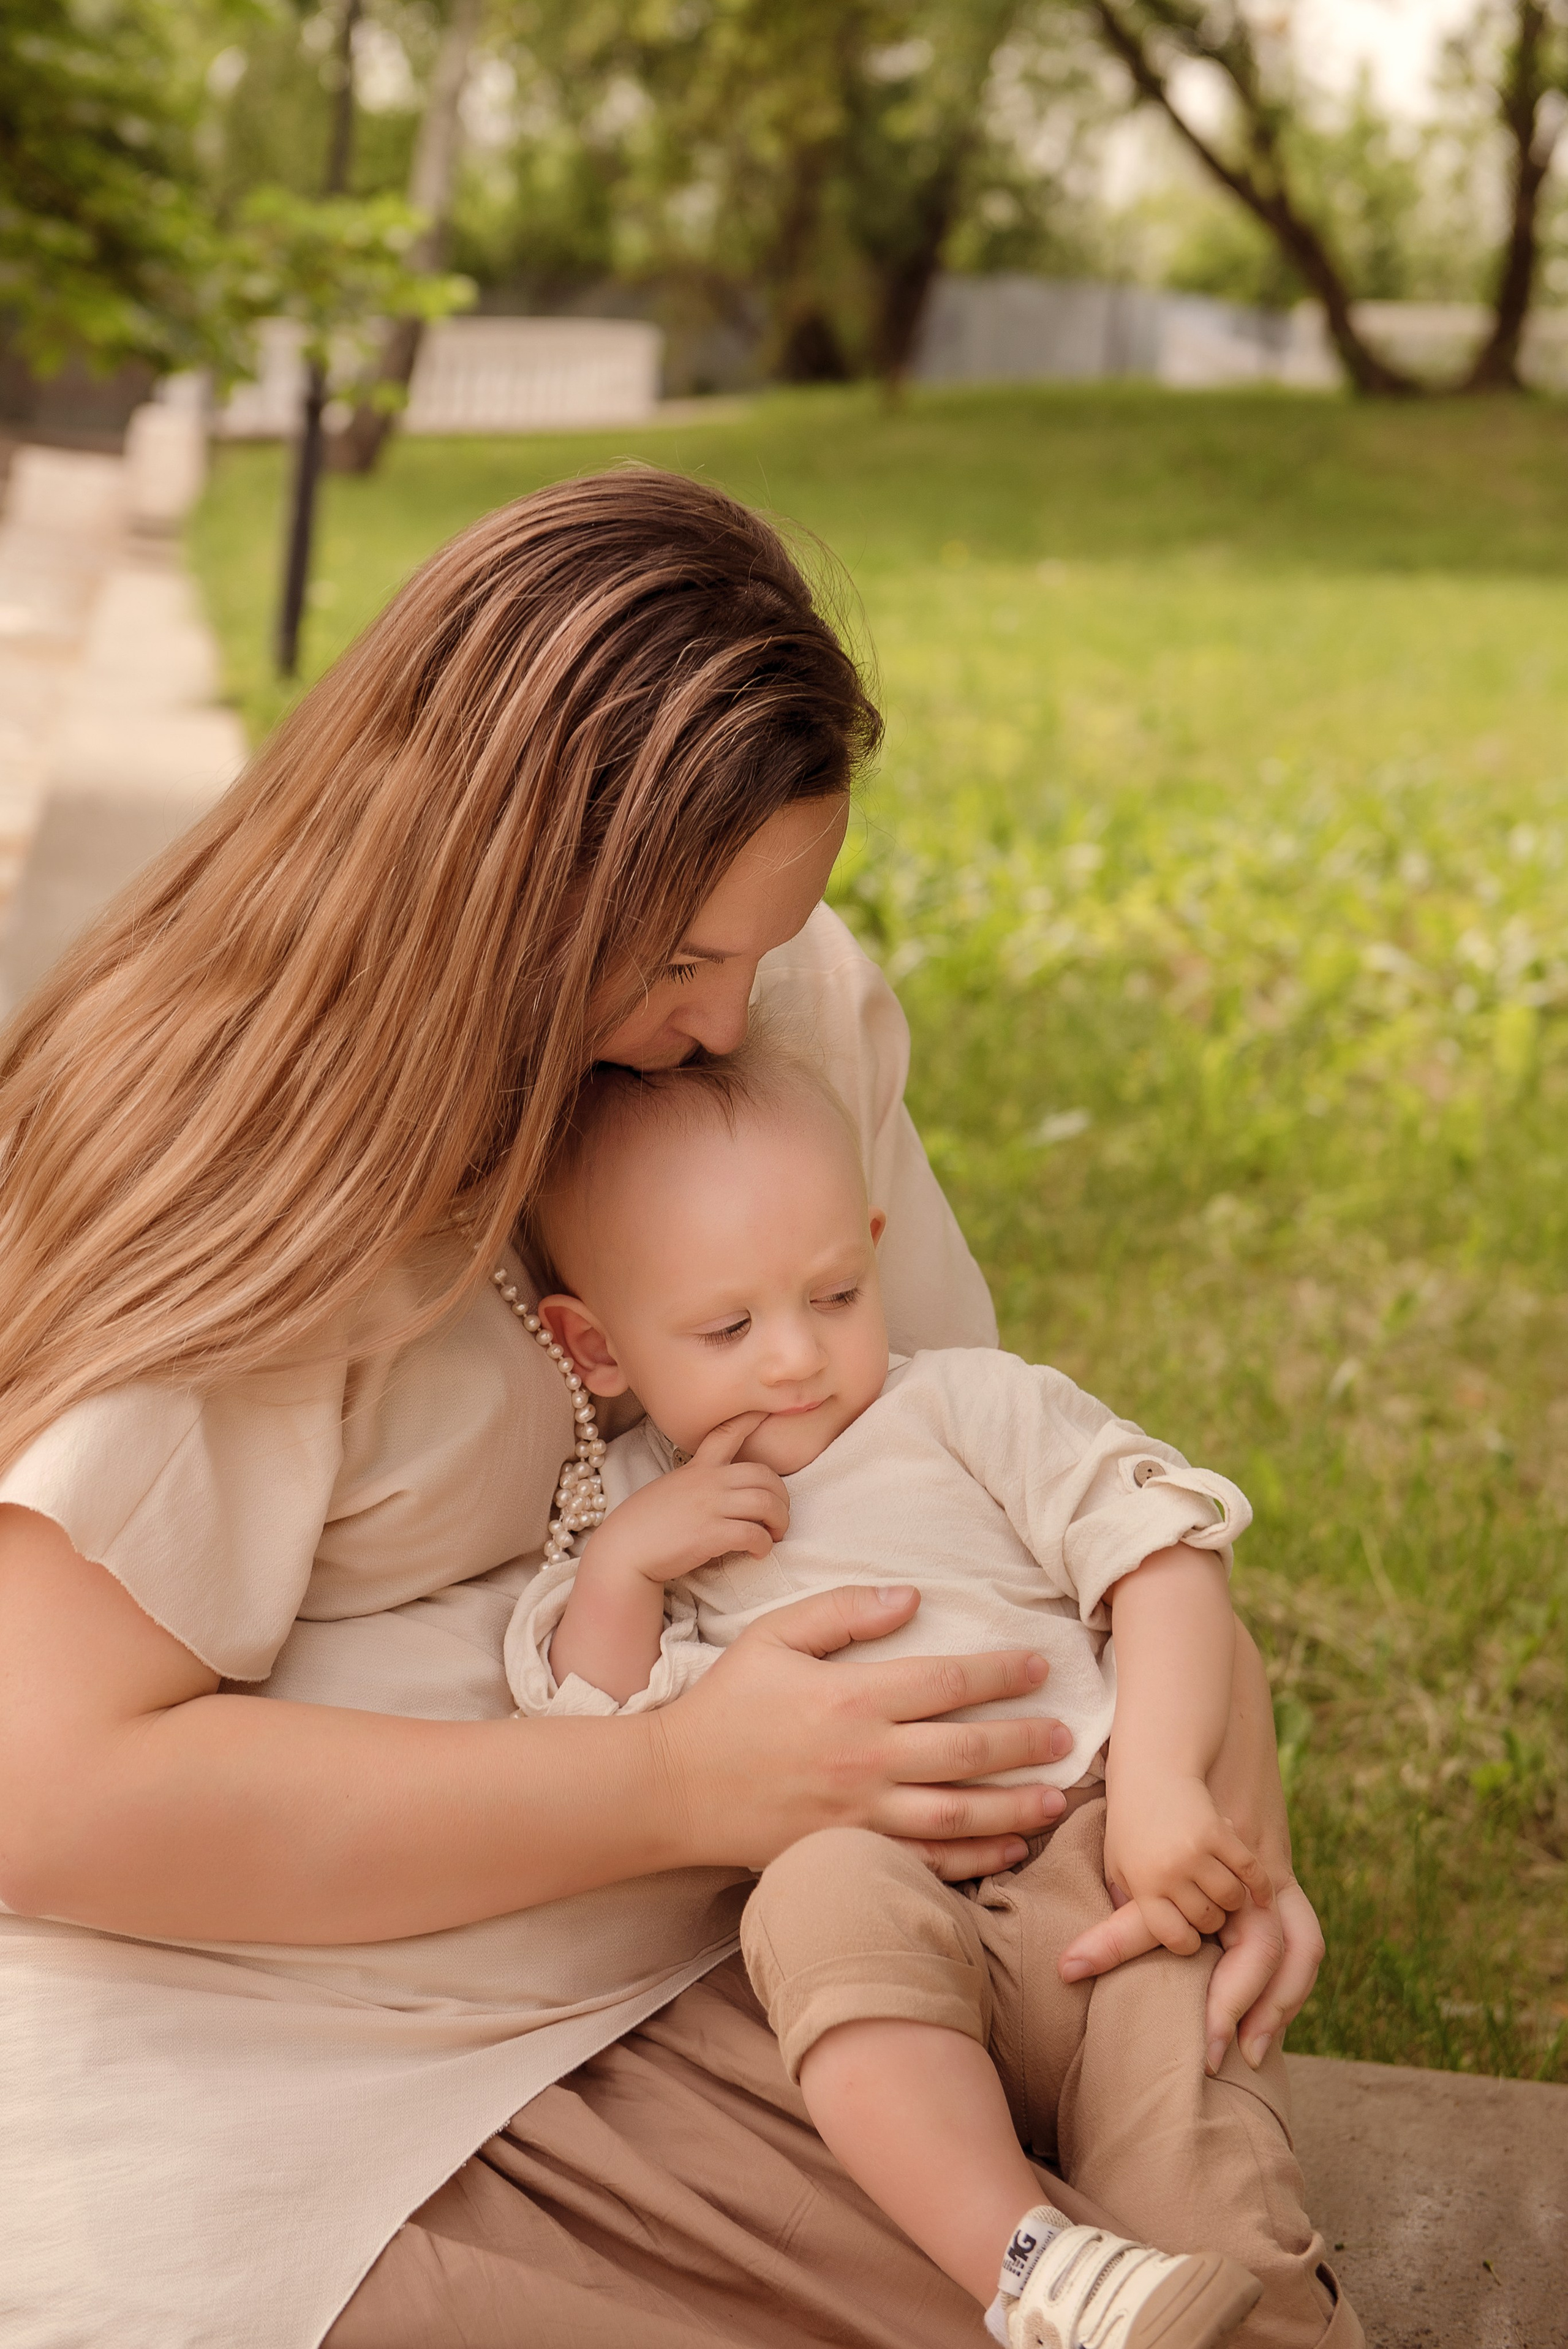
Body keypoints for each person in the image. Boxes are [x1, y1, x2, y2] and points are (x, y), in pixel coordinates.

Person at [0, 469, 1328, 2349]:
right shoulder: (259, 1159)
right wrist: (676, 1780)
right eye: (677, 956)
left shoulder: (775, 1009)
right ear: (493, 886)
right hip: (301, 2033)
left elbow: (1008, 1488)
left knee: (1171, 2292)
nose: (727, 1021)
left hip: (755, 1939)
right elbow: (45, 1791)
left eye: (758, 948)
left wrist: (1212, 1830)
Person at [503, 1039, 1360, 2349]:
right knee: (813, 1897)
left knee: (1204, 2192)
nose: (795, 1358)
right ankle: (1034, 2274)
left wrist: (1159, 1788)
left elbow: (1164, 1552)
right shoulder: (630, 1517)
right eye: (727, 1327)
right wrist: (623, 1569)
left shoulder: (964, 1407)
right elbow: (588, 1738)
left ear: (874, 1246)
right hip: (884, 1916)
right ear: (596, 1346)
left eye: (836, 1292)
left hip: (1101, 1880)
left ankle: (1250, 2307)